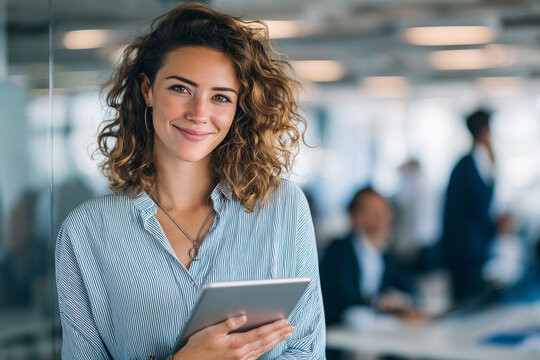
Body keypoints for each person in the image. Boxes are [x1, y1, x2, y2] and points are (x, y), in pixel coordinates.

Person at [55, 3, 325, 359]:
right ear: (147, 90)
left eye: (220, 97)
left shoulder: (283, 207)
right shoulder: (86, 232)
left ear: (237, 108)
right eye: (181, 89)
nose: (199, 113)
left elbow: (307, 350)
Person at [440, 108, 513, 305]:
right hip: (465, 254)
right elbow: (478, 208)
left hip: (474, 251)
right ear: (486, 131)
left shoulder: (475, 163)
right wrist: (497, 223)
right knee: (469, 305)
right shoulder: (468, 166)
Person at [319, 187, 416, 327]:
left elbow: (407, 286)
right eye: (373, 211)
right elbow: (340, 296)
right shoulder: (338, 251)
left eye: (384, 211)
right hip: (341, 331)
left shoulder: (385, 253)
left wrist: (397, 299)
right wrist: (377, 302)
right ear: (355, 217)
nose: (381, 217)